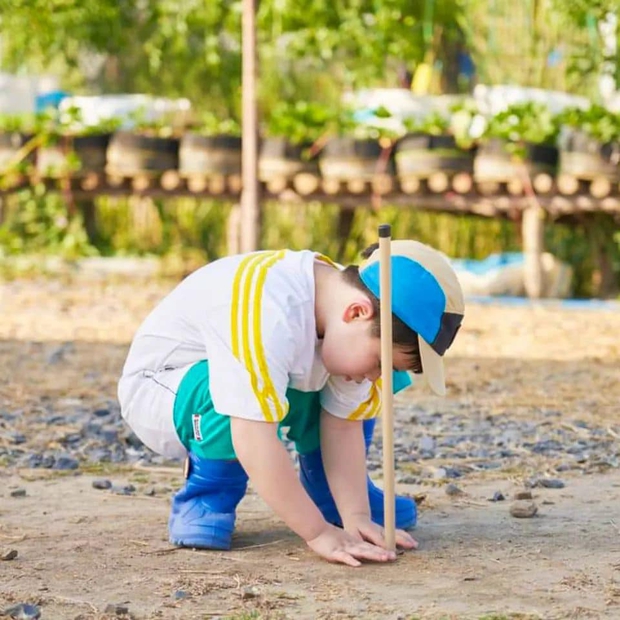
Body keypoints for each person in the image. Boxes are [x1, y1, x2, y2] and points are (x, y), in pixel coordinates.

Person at [117, 239, 464, 567]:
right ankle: (208, 496)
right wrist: (318, 532)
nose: (377, 376)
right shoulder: (269, 309)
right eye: (381, 363)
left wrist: (354, 515)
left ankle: (326, 494)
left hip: (264, 384)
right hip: (166, 389)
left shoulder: (350, 314)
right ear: (357, 312)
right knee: (231, 390)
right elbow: (252, 437)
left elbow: (343, 424)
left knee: (350, 382)